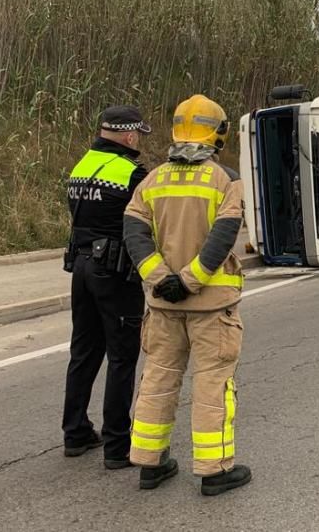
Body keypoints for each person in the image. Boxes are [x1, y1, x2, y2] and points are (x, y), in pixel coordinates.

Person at [123, 94, 251, 496]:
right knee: (213, 384)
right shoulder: (225, 179)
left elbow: (134, 232)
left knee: (158, 378)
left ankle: (149, 463)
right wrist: (191, 280)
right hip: (211, 305)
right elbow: (223, 237)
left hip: (162, 305)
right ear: (219, 134)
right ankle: (214, 471)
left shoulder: (152, 179)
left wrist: (161, 279)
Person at [62, 105, 151, 469]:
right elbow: (145, 222)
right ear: (129, 135)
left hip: (80, 268)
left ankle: (75, 432)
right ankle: (118, 444)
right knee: (122, 357)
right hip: (115, 273)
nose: (139, 141)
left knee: (83, 351)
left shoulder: (81, 166)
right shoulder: (131, 172)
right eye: (138, 135)